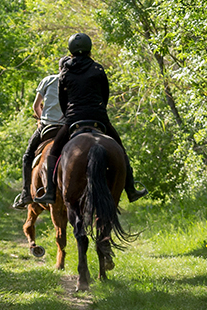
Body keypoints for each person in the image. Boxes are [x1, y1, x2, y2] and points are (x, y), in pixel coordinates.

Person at [34, 33, 147, 205]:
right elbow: (105, 95)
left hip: (73, 119)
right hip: (98, 117)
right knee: (120, 148)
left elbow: (63, 99)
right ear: (89, 49)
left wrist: (69, 116)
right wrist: (99, 111)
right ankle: (131, 188)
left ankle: (49, 191)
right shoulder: (98, 69)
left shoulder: (65, 72)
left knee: (55, 150)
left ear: (71, 50)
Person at [11, 72, 65, 209]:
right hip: (67, 126)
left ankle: (25, 194)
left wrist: (41, 120)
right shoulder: (74, 81)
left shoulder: (48, 80)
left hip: (48, 126)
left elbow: (36, 106)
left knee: (28, 156)